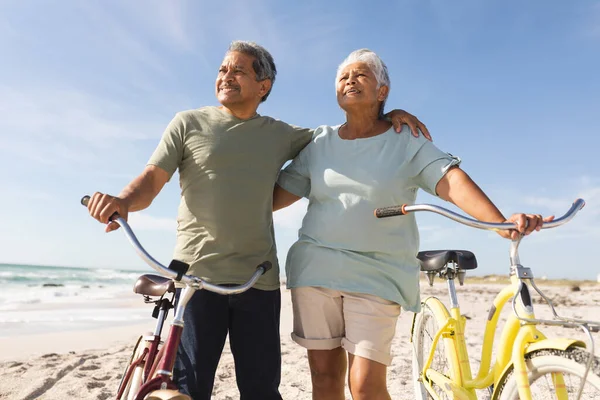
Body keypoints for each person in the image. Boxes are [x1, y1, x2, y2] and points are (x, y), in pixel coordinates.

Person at [85, 41, 429, 400]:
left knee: (261, 390)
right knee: (189, 388)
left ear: (263, 86)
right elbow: (152, 180)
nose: (226, 76)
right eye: (222, 69)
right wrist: (123, 201)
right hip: (195, 278)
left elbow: (348, 132)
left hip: (258, 282)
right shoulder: (187, 123)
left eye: (238, 70)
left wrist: (387, 115)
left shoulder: (283, 135)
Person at [272, 49, 553, 400]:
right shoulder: (319, 143)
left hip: (378, 272)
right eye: (343, 77)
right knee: (324, 377)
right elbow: (275, 197)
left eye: (361, 75)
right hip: (315, 269)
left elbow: (450, 181)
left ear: (382, 91)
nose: (349, 81)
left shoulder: (405, 138)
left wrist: (499, 223)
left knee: (364, 385)